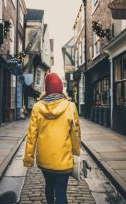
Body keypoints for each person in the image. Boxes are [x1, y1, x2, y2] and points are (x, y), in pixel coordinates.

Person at [23, 72, 81, 204]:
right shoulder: (70, 107)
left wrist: (28, 159)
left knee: (49, 187)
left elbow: (31, 135)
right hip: (64, 159)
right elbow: (76, 134)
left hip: (45, 159)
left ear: (47, 89)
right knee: (61, 192)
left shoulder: (37, 107)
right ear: (61, 88)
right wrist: (76, 153)